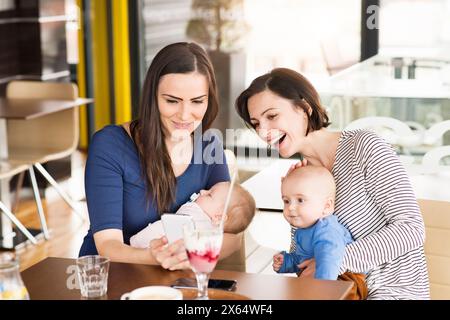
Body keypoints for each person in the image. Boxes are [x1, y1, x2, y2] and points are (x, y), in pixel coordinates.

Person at [236, 67, 429, 300]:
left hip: (394, 294)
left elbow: (411, 229)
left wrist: (335, 260)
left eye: (272, 116)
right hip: (339, 294)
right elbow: (306, 261)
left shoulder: (364, 147)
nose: (263, 132)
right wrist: (297, 206)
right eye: (256, 123)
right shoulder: (303, 177)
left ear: (304, 108)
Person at [79, 42, 243, 271]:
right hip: (109, 277)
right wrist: (157, 256)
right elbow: (108, 245)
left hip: (176, 279)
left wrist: (194, 253)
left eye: (197, 101)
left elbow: (232, 235)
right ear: (153, 97)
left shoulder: (209, 145)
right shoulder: (109, 145)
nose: (185, 115)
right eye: (172, 101)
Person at [130, 181, 256, 248]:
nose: (202, 191)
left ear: (219, 217)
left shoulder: (198, 221)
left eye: (209, 194)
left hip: (146, 245)